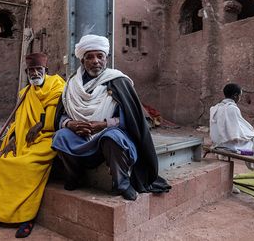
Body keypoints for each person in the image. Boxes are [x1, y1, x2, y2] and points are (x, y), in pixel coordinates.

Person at [51, 34, 170, 201]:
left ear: (106, 59)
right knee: (60, 137)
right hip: (81, 135)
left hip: (110, 135)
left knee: (112, 137)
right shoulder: (72, 84)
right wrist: (70, 124)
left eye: (100, 56)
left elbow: (133, 118)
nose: (95, 61)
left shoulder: (118, 81)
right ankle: (75, 175)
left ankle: (121, 183)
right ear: (82, 61)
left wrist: (104, 124)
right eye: (90, 57)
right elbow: (61, 115)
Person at [0, 53, 65, 238]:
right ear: (27, 73)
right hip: (25, 139)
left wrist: (40, 125)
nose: (35, 73)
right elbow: (20, 121)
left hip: (47, 138)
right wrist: (12, 140)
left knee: (26, 165)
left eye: (38, 69)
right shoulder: (25, 93)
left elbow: (53, 117)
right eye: (31, 70)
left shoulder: (56, 85)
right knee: (4, 161)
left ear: (46, 71)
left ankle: (26, 218)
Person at [210, 83, 254, 189]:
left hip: (218, 143)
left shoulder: (216, 107)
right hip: (229, 146)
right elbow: (237, 132)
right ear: (235, 96)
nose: (240, 98)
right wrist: (251, 133)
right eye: (240, 96)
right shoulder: (232, 109)